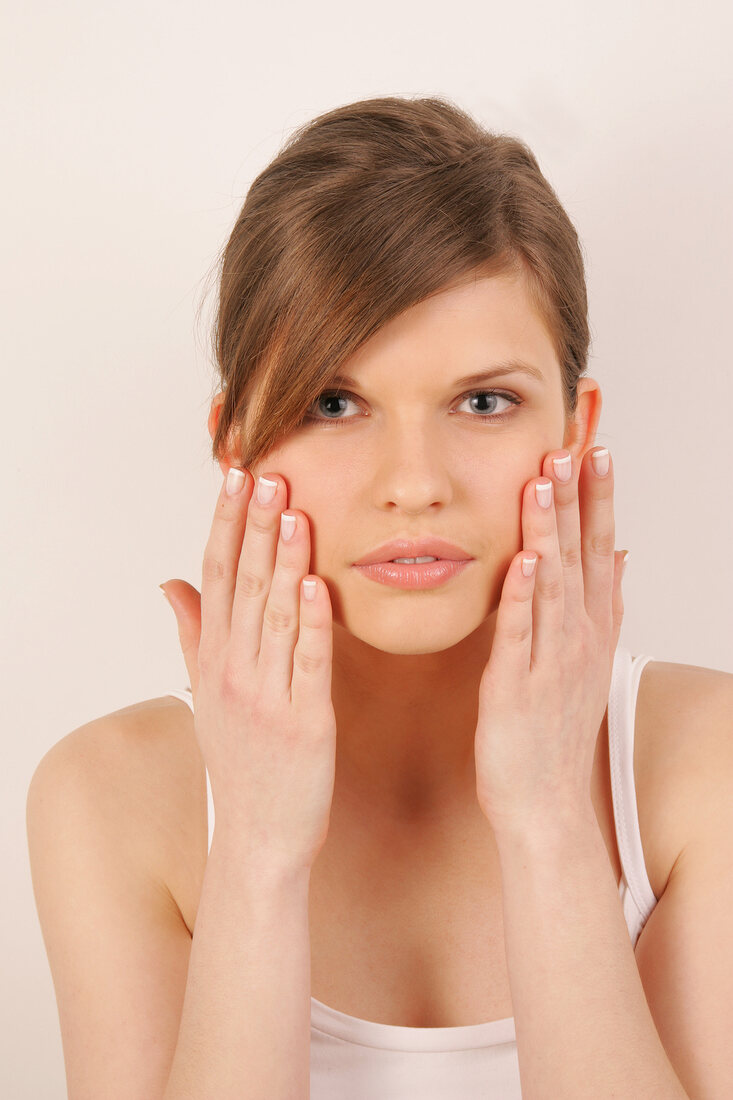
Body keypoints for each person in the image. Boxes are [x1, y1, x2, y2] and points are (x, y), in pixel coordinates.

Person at [26, 95, 732, 1100]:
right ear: (237, 443)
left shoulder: (707, 768)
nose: (413, 480)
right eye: (333, 402)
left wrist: (545, 822)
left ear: (574, 433)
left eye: (483, 401)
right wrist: (261, 853)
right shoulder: (113, 797)